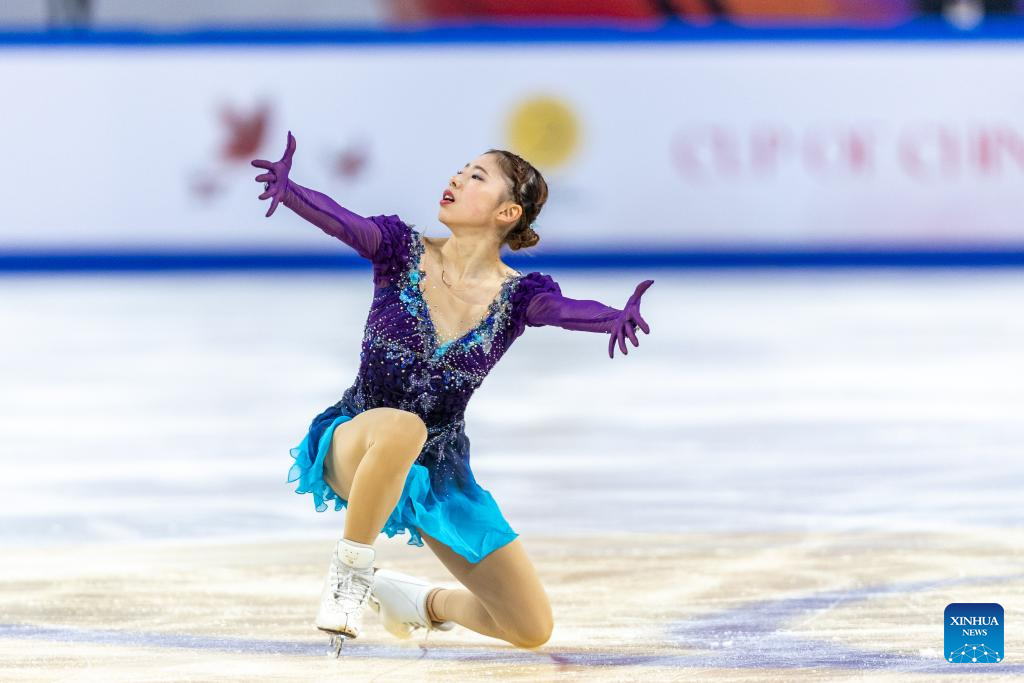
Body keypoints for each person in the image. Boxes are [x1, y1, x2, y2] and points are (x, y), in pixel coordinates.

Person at [251, 131, 653, 653]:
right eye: (460, 171)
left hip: (438, 471)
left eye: (476, 176)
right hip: (356, 443)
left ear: (507, 212)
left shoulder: (517, 298)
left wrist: (614, 317)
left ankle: (418, 602)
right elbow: (344, 222)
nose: (457, 179)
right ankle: (349, 578)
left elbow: (565, 310)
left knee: (529, 627)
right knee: (403, 428)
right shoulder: (400, 251)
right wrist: (290, 192)